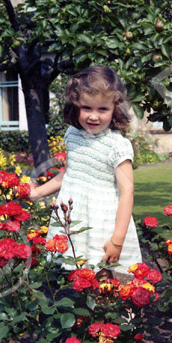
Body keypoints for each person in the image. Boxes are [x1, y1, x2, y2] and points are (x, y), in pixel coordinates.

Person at [29, 65, 142, 276]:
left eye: (102, 109)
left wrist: (117, 240)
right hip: (76, 218)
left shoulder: (117, 146)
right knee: (80, 278)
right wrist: (36, 193)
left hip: (103, 223)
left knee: (108, 279)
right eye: (86, 108)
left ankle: (125, 310)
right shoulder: (72, 135)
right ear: (75, 105)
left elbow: (127, 192)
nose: (94, 116)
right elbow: (69, 174)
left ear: (114, 108)